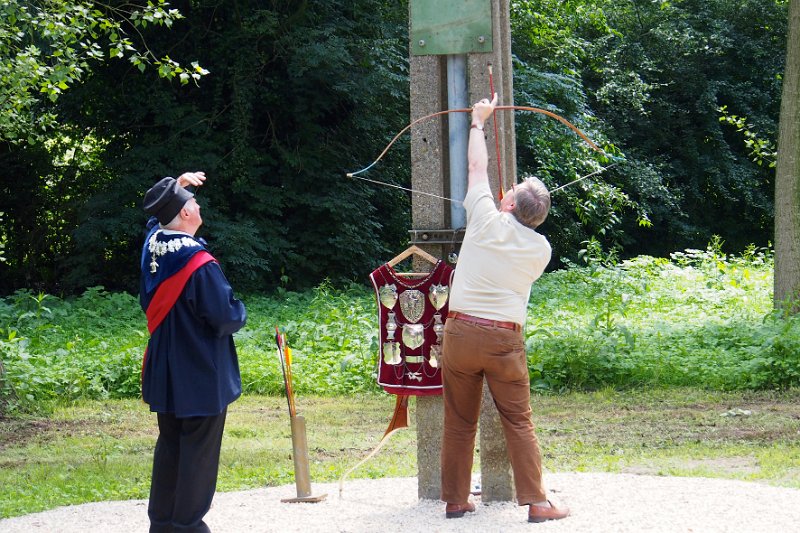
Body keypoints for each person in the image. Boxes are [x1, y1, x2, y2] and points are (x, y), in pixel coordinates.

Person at [440, 94, 569, 523]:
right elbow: (506, 208)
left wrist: (479, 122)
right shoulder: (542, 249)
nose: (503, 192)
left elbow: (477, 169)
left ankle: (456, 500)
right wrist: (508, 207)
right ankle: (536, 503)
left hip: (460, 335)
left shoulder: (484, 217)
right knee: (518, 420)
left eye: (509, 192)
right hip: (503, 339)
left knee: (460, 420)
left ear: (510, 204)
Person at [140, 171, 247, 533]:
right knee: (198, 456)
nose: (197, 204)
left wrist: (177, 188)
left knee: (170, 447)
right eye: (191, 201)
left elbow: (156, 218)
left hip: (166, 372)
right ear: (185, 215)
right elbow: (226, 317)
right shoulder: (200, 265)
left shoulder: (153, 247)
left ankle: (163, 524)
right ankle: (187, 527)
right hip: (200, 374)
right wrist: (240, 308)